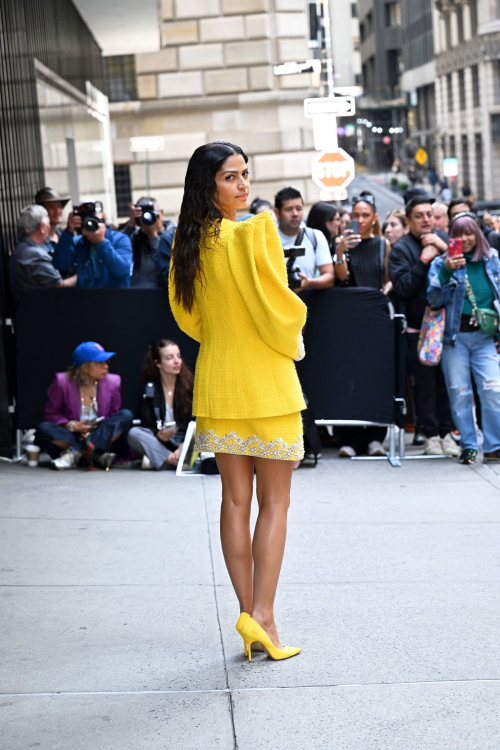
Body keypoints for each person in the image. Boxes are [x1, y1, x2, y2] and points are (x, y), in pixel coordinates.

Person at [169, 141, 306, 661]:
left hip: (218, 382)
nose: (244, 185)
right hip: (267, 382)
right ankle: (264, 617)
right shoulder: (255, 231)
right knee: (275, 503)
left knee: (233, 500)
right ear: (210, 185)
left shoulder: (187, 243)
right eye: (231, 177)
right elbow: (280, 310)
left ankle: (249, 613)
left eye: (245, 174)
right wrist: (290, 338)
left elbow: (189, 321)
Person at [427, 215, 500, 464]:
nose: (465, 239)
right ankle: (468, 445)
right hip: (454, 339)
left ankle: (492, 446)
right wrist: (447, 271)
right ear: (451, 238)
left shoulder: (493, 260)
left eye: (470, 232)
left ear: (478, 234)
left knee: (492, 391)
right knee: (459, 394)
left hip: (485, 338)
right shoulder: (441, 263)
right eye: (458, 234)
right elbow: (433, 299)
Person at [389, 195, 458, 455]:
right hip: (418, 329)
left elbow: (463, 272)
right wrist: (424, 259)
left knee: (448, 382)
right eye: (419, 215)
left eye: (429, 214)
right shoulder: (401, 248)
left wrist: (443, 247)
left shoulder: (443, 239)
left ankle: (448, 433)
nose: (426, 219)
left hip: (448, 327)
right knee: (426, 385)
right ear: (409, 221)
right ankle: (430, 434)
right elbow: (404, 287)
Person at [332, 193, 392, 458]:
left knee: (376, 378)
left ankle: (375, 439)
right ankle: (351, 438)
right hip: (350, 318)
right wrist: (341, 251)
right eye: (355, 215)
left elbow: (389, 278)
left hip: (376, 317)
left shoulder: (383, 244)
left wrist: (386, 290)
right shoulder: (344, 244)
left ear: (374, 218)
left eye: (365, 215)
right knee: (351, 380)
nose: (360, 220)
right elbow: (342, 278)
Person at [37, 341, 133, 470]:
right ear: (84, 367)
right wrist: (73, 426)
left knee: (126, 415)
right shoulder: (62, 382)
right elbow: (51, 414)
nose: (106, 366)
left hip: (100, 438)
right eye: (99, 363)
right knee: (44, 427)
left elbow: (113, 417)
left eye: (106, 362)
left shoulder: (113, 382)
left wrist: (98, 432)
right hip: (71, 436)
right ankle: (92, 455)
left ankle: (77, 452)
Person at [127, 339, 193, 469]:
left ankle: (159, 460)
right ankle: (171, 460)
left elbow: (194, 423)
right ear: (158, 363)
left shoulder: (190, 386)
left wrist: (182, 445)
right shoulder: (149, 388)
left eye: (178, 356)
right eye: (169, 358)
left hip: (184, 441)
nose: (177, 361)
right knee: (134, 433)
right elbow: (147, 423)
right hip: (161, 442)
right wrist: (160, 435)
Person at [53, 202, 132, 287]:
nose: (90, 224)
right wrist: (68, 232)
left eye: (94, 219)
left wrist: (101, 242)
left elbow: (122, 271)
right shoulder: (79, 242)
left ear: (102, 218)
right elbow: (60, 265)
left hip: (116, 298)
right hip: (87, 298)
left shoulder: (120, 239)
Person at [10, 205, 75, 302]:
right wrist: (84, 275)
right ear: (42, 228)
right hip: (37, 311)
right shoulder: (35, 254)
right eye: (48, 223)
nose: (49, 226)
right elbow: (59, 285)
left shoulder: (21, 247)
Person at [274, 187, 334, 293]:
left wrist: (309, 282)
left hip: (309, 304)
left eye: (299, 208)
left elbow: (329, 277)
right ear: (277, 213)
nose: (295, 214)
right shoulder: (266, 239)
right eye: (289, 209)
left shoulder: (315, 236)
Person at [121, 197, 170, 288]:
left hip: (159, 295)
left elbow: (166, 264)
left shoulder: (171, 236)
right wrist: (131, 224)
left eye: (151, 213)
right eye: (142, 214)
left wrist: (153, 236)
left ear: (161, 213)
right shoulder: (135, 236)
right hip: (135, 293)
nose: (147, 217)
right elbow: (119, 250)